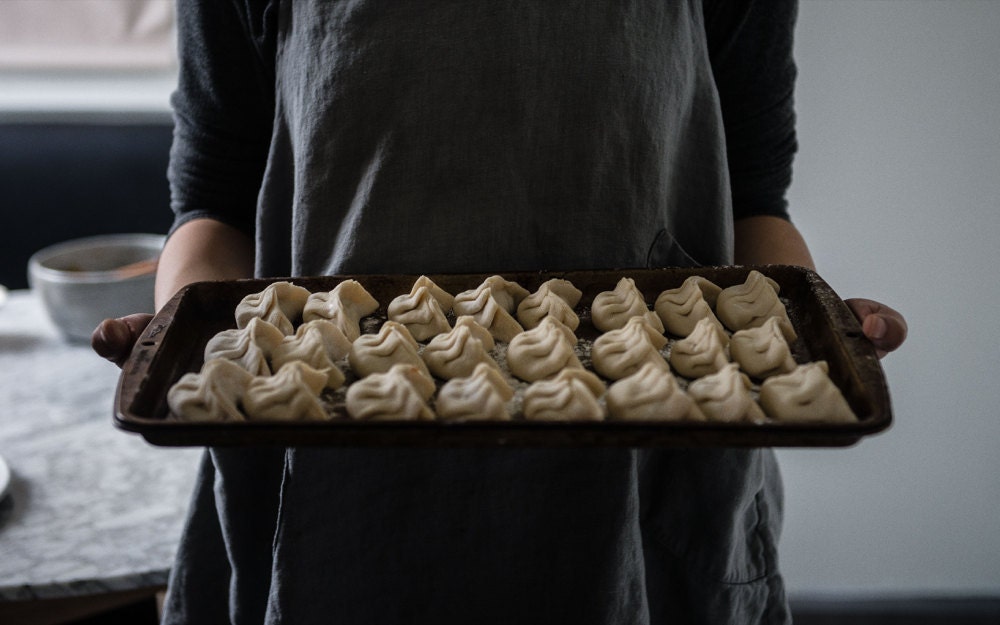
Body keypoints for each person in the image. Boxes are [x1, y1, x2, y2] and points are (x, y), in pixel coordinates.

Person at [93, 1, 907, 623]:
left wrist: (803, 326)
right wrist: (192, 331)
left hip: (649, 484)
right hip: (325, 483)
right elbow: (211, 204)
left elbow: (754, 198)